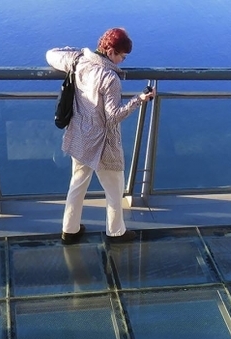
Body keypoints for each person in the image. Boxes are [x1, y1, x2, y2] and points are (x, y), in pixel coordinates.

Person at [46, 28, 155, 245]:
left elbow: (51, 54)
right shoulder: (110, 78)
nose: (122, 61)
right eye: (122, 56)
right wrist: (140, 99)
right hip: (104, 143)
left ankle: (69, 229)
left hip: (79, 136)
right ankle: (115, 232)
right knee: (114, 187)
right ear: (112, 51)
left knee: (77, 184)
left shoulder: (78, 61)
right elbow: (113, 117)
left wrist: (82, 51)